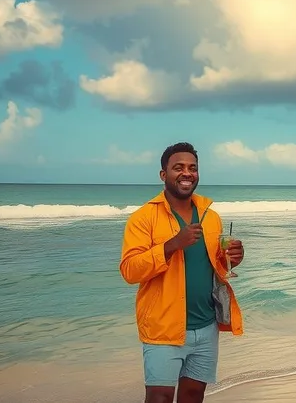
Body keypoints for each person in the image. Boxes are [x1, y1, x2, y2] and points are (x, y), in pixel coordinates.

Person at [120, 142, 245, 403]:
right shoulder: (143, 218)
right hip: (163, 327)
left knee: (192, 396)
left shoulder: (211, 216)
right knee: (159, 398)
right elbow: (130, 271)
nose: (187, 173)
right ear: (163, 175)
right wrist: (171, 245)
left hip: (206, 325)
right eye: (178, 168)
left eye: (192, 168)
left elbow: (214, 265)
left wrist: (234, 258)